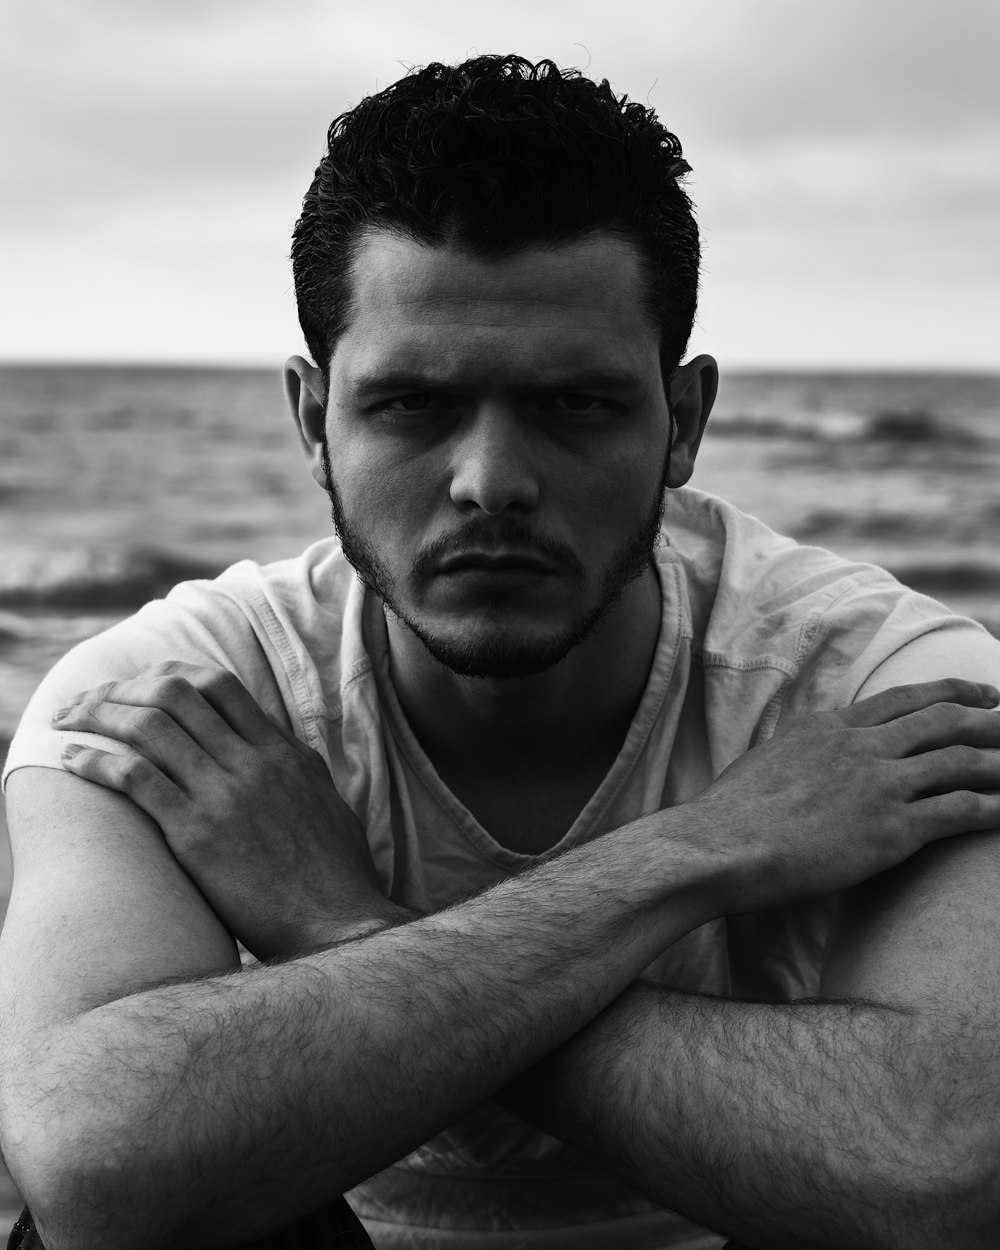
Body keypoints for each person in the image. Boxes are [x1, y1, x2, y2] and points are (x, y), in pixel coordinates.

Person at [1, 54, 999, 1250]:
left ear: (680, 421)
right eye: (413, 404)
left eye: (574, 404)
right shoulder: (179, 710)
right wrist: (699, 846)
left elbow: (936, 1167)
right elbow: (100, 1173)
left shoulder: (881, 695)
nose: (493, 484)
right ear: (314, 419)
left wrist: (346, 930)